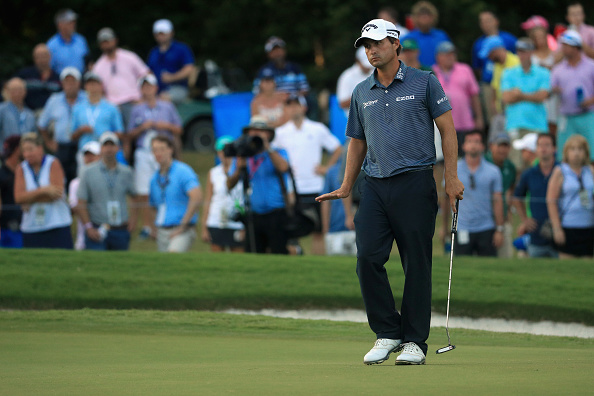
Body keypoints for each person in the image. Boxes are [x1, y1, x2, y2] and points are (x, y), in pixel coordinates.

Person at [316, 19, 464, 365]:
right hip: (374, 186)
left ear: (395, 44)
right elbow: (357, 141)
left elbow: (448, 130)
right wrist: (347, 185)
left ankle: (414, 341)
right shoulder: (360, 91)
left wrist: (451, 178)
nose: (371, 50)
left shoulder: (424, 81)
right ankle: (388, 331)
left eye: (377, 43)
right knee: (367, 257)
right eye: (367, 45)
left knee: (416, 263)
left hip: (415, 182)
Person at [274, 95, 342, 255]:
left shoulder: (317, 129)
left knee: (318, 229)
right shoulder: (280, 132)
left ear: (304, 108)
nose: (293, 108)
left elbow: (338, 149)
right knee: (292, 229)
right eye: (289, 106)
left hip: (315, 186)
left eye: (296, 105)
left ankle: (318, 261)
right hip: (291, 189)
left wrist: (327, 168)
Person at [128, 74, 183, 239]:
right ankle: (148, 227)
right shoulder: (137, 109)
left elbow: (179, 129)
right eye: (144, 87)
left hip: (163, 151)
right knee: (144, 191)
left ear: (156, 88)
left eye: (150, 86)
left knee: (165, 187)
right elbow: (130, 133)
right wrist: (142, 128)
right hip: (144, 151)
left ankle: (166, 222)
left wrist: (163, 126)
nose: (147, 90)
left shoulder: (167, 107)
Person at [226, 117, 290, 254]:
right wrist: (239, 169)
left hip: (276, 212)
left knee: (279, 254)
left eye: (261, 131)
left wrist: (267, 148)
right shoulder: (243, 155)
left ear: (268, 134)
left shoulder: (278, 152)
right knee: (253, 254)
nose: (256, 134)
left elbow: (284, 167)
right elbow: (229, 184)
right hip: (253, 214)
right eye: (253, 131)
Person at [444, 131, 504, 257]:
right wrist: (444, 227)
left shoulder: (493, 171)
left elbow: (498, 201)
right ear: (464, 146)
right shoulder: (453, 170)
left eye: (477, 142)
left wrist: (499, 229)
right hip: (462, 227)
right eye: (470, 141)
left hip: (486, 227)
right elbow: (445, 199)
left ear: (483, 146)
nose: (473, 145)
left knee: (488, 269)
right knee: (461, 269)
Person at [76, 132, 136, 251]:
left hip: (120, 228)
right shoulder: (87, 172)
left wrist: (133, 220)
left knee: (120, 266)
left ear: (118, 148)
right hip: (98, 227)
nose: (109, 149)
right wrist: (88, 227)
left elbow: (135, 197)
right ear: (100, 148)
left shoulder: (126, 172)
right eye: (105, 145)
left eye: (112, 145)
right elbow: (81, 202)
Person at [13, 132, 72, 249]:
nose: (27, 154)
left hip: (57, 224)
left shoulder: (53, 163)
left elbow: (57, 193)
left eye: (30, 149)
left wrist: (29, 198)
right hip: (31, 226)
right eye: (24, 151)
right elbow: (18, 197)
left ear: (40, 148)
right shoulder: (21, 168)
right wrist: (43, 190)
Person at [501, 38, 550, 168]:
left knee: (537, 166)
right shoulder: (508, 72)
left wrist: (519, 95)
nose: (522, 55)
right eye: (519, 51)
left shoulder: (543, 72)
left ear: (531, 52)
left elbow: (543, 96)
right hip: (515, 124)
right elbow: (506, 98)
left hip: (537, 125)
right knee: (516, 166)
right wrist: (533, 95)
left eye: (525, 51)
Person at [149, 135, 202, 253]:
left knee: (173, 255)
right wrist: (154, 228)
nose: (159, 153)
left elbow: (196, 196)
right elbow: (152, 205)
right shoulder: (154, 179)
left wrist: (183, 225)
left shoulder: (183, 171)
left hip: (181, 230)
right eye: (155, 150)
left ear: (170, 150)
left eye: (162, 149)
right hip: (162, 230)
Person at [37, 66, 88, 187]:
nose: (70, 85)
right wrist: (49, 142)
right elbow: (41, 124)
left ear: (79, 83)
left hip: (82, 146)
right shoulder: (54, 100)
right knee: (60, 180)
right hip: (61, 146)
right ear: (62, 83)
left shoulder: (87, 98)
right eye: (67, 81)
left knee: (80, 180)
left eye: (73, 81)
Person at [546, 135, 594, 258]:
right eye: (572, 149)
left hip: (588, 225)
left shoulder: (590, 171)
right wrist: (556, 228)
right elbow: (551, 201)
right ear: (566, 152)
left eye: (580, 149)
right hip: (568, 225)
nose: (576, 153)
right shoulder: (560, 171)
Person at [92, 28, 151, 127]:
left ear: (115, 40)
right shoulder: (98, 67)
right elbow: (98, 90)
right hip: (112, 106)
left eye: (108, 41)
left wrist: (144, 97)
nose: (106, 45)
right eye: (103, 42)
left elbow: (146, 75)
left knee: (137, 131)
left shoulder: (129, 57)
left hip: (134, 102)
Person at [432, 41, 483, 154]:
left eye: (452, 54)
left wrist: (479, 117)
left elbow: (474, 95)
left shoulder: (464, 69)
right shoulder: (432, 72)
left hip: (465, 122)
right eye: (446, 54)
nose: (450, 57)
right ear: (438, 57)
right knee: (446, 158)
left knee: (466, 155)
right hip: (442, 126)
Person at [513, 133, 558, 258]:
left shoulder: (562, 170)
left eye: (547, 145)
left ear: (555, 148)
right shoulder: (529, 174)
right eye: (540, 145)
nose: (543, 149)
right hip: (536, 235)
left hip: (560, 233)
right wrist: (525, 220)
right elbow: (517, 197)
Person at [551, 30, 594, 161]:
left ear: (576, 47)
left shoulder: (591, 66)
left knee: (591, 154)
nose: (562, 49)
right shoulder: (558, 69)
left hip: (587, 116)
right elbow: (550, 90)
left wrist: (591, 100)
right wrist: (555, 90)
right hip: (566, 117)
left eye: (566, 45)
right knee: (565, 155)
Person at [200, 136, 244, 252]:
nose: (224, 155)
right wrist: (204, 226)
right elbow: (208, 200)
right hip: (216, 220)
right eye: (221, 151)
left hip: (238, 222)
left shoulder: (241, 170)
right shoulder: (213, 172)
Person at [71, 72, 124, 163]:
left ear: (101, 86)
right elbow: (72, 135)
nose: (93, 87)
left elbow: (120, 132)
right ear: (85, 87)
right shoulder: (78, 108)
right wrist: (81, 130)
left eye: (95, 84)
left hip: (104, 150)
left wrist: (106, 136)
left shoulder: (111, 107)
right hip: (85, 151)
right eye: (90, 84)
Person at [522, 16, 560, 136]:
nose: (540, 40)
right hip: (538, 97)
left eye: (541, 36)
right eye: (536, 37)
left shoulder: (556, 55)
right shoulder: (531, 58)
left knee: (555, 126)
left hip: (554, 97)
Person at [147, 19, 196, 103]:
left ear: (171, 33)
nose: (160, 36)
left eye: (163, 33)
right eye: (158, 34)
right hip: (157, 90)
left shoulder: (181, 49)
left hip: (178, 88)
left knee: (163, 99)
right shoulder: (154, 52)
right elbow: (148, 71)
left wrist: (172, 77)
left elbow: (189, 69)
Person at [485, 133, 516, 258]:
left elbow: (511, 189)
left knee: (505, 256)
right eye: (500, 146)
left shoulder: (510, 167)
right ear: (491, 146)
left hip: (502, 219)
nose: (503, 150)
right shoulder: (483, 162)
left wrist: (507, 209)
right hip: (483, 219)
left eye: (506, 146)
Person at [68, 141, 101, 250]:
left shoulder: (106, 181)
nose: (89, 158)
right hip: (83, 234)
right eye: (87, 156)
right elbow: (74, 208)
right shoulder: (75, 183)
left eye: (93, 156)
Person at [320, 160, 356, 256]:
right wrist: (325, 228)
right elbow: (325, 201)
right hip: (335, 228)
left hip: (358, 228)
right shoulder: (332, 171)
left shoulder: (366, 168)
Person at [479, 35, 520, 117]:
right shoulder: (497, 65)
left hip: (515, 111)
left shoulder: (516, 63)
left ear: (496, 50)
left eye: (489, 53)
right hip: (501, 114)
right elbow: (494, 88)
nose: (488, 57)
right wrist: (495, 111)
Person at [471, 11, 517, 84]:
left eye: (488, 21)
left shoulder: (509, 39)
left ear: (496, 21)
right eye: (482, 22)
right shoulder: (478, 44)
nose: (485, 24)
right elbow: (477, 67)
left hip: (511, 81)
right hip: (488, 82)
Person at [401, 1, 450, 67]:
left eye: (428, 14)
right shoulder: (407, 38)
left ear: (433, 17)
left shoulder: (441, 36)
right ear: (415, 17)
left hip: (438, 74)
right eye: (421, 15)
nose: (425, 17)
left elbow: (450, 56)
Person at [15, 44, 61, 112]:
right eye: (38, 57)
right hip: (28, 114)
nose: (41, 59)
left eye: (44, 56)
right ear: (34, 58)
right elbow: (9, 87)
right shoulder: (25, 75)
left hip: (51, 115)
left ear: (50, 56)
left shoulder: (58, 78)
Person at [46, 9, 89, 74]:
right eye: (70, 22)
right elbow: (49, 67)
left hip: (80, 80)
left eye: (74, 22)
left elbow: (87, 62)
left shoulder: (81, 40)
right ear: (60, 24)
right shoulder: (51, 45)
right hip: (60, 81)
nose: (73, 25)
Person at [0, 136, 23, 248]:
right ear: (18, 149)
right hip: (5, 229)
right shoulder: (2, 174)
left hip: (22, 226)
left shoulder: (25, 171)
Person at [336, 47, 374, 116]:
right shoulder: (347, 76)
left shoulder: (375, 72)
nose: (368, 67)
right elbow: (342, 104)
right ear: (358, 61)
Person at [0, 78, 37, 145]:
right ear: (7, 91)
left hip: (26, 153)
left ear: (25, 91)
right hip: (6, 152)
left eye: (20, 90)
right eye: (14, 90)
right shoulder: (2, 110)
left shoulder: (30, 114)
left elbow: (34, 136)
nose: (17, 93)